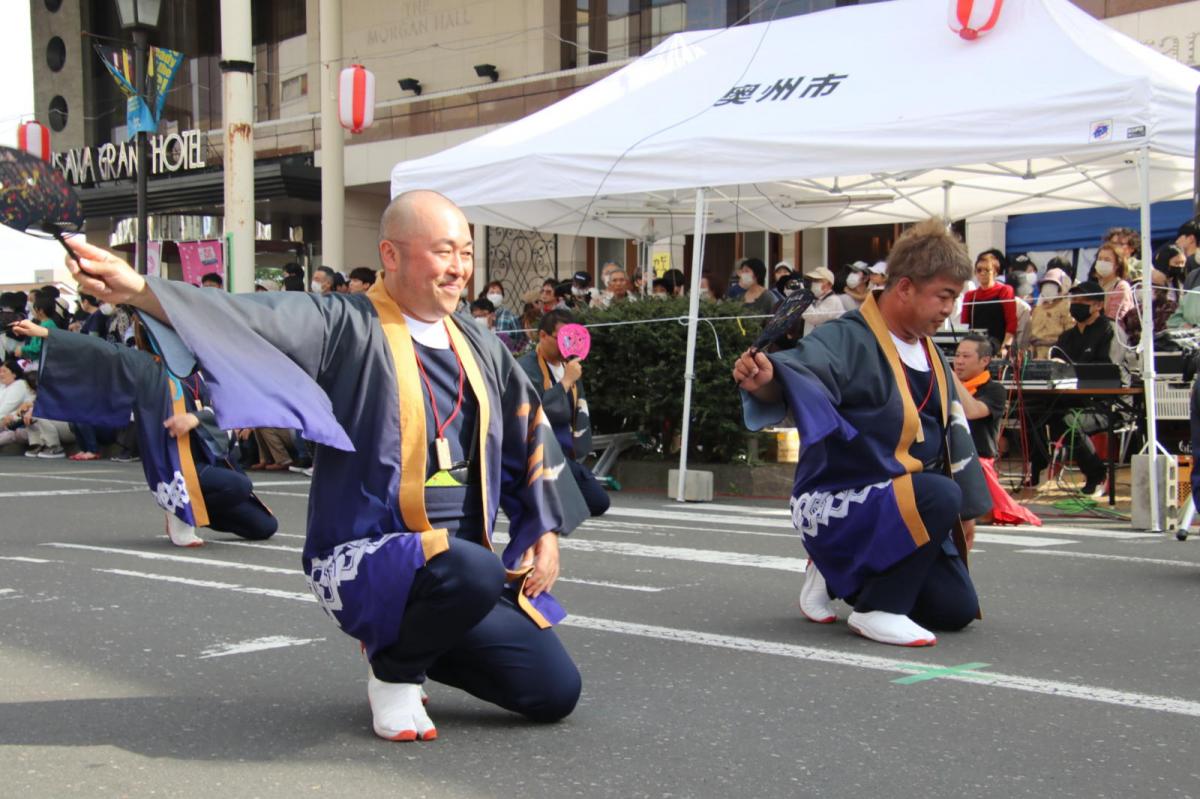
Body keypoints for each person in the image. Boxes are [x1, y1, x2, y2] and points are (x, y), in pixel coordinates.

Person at [64, 189, 587, 741]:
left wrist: (544, 530)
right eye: (442, 252)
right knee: (471, 569)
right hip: (364, 555)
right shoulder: (344, 323)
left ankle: (405, 638)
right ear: (390, 254)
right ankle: (394, 671)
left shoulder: (481, 344)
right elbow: (248, 314)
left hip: (459, 575)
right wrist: (141, 290)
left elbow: (530, 429)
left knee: (552, 691)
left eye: (464, 252)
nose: (458, 269)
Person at [733, 218, 988, 647]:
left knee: (954, 609)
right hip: (842, 496)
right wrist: (767, 378)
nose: (949, 309)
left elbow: (958, 425)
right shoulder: (848, 337)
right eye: (944, 296)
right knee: (939, 494)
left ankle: (834, 571)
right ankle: (875, 608)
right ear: (905, 287)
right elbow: (801, 369)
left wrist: (968, 509)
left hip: (903, 500)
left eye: (954, 298)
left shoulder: (930, 351)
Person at [14, 318, 278, 547]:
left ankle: (190, 508)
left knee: (264, 526)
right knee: (239, 485)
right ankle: (181, 511)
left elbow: (224, 408)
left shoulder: (202, 369)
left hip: (215, 459)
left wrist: (195, 418)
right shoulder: (146, 366)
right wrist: (46, 333)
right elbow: (102, 351)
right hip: (176, 465)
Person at [1027, 281, 1119, 495]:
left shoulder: (1109, 330)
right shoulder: (1067, 337)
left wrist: (1071, 368)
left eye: (1081, 301)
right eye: (1073, 300)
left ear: (1097, 305)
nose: (1075, 304)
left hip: (1102, 403)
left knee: (1069, 422)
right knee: (1031, 411)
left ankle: (1097, 475)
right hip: (1067, 398)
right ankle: (1039, 467)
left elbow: (1108, 370)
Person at [518, 309, 610, 519]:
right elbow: (535, 413)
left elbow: (577, 412)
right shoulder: (525, 367)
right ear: (542, 335)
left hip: (564, 454)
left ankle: (547, 494)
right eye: (560, 338)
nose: (565, 344)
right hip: (536, 452)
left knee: (598, 502)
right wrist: (566, 382)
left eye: (570, 338)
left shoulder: (569, 367)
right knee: (588, 503)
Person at [952, 335, 1041, 526]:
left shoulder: (994, 390)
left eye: (966, 356)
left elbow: (972, 411)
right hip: (945, 456)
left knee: (977, 514)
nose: (958, 362)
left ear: (985, 360)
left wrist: (950, 379)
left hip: (976, 461)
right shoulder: (943, 385)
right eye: (957, 355)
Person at [961, 249, 1016, 357]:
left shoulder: (1005, 290)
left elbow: (1012, 324)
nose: (982, 273)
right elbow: (964, 324)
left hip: (997, 343)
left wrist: (1005, 348)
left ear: (995, 272)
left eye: (987, 270)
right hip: (975, 344)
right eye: (979, 270)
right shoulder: (970, 295)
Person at [1027, 263, 1074, 359]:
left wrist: (1049, 342)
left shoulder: (1066, 306)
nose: (1048, 288)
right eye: (1046, 284)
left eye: (1053, 285)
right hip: (1036, 355)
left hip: (1056, 354)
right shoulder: (1038, 309)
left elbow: (1070, 333)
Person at [1087, 243, 1134, 325]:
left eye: (1107, 260)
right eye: (1100, 259)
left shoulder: (1121, 287)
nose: (1102, 262)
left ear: (1117, 265)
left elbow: (1115, 318)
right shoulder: (1095, 287)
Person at [800, 267, 846, 336]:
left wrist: (803, 296)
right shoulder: (818, 299)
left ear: (828, 285)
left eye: (817, 280)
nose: (813, 283)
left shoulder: (833, 300)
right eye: (813, 280)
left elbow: (813, 317)